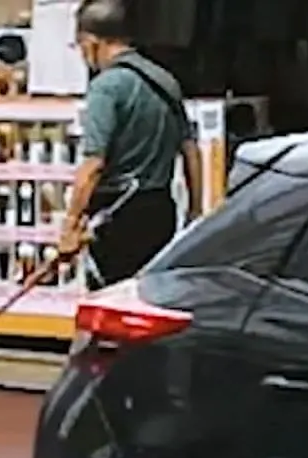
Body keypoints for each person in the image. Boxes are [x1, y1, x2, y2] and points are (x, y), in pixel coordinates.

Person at [57, 0, 201, 288]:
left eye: (80, 46)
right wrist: (195, 210)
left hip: (118, 215)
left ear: (91, 42)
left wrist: (71, 224)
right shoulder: (165, 80)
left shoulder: (107, 87)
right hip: (160, 210)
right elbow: (190, 150)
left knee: (111, 303)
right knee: (148, 300)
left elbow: (93, 164)